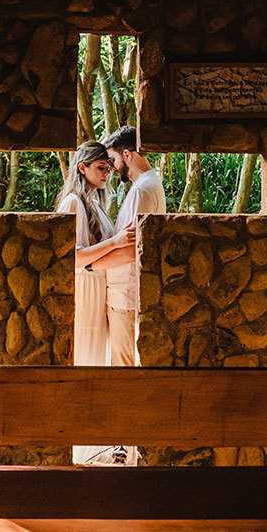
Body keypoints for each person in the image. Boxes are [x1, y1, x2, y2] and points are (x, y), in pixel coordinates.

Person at [55, 141, 135, 465]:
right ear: (82, 168)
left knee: (96, 361)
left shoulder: (94, 202)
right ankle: (79, 447)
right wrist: (115, 242)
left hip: (97, 287)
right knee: (85, 359)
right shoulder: (74, 203)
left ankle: (90, 442)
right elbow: (72, 256)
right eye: (100, 167)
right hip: (85, 290)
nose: (107, 173)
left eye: (108, 167)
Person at [102, 125, 167, 368]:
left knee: (123, 364)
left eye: (113, 159)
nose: (112, 166)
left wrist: (90, 264)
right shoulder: (149, 183)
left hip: (125, 293)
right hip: (126, 292)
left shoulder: (142, 190)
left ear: (128, 155)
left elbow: (133, 249)